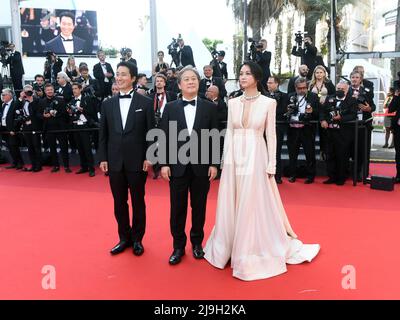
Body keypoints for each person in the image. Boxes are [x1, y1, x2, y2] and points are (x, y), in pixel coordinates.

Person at [203, 61, 319, 281]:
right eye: (240, 73)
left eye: (247, 73)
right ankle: (227, 246)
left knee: (251, 201)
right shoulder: (233, 102)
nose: (242, 77)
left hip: (256, 154)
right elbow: (228, 132)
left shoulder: (268, 103)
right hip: (234, 156)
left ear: (257, 77)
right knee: (232, 200)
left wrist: (272, 164)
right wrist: (223, 160)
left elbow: (271, 135)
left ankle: (248, 250)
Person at [159, 66, 219, 265]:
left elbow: (215, 138)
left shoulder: (210, 107)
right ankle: (178, 246)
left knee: (199, 206)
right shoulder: (170, 108)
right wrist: (164, 163)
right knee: (177, 207)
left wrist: (214, 163)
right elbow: (164, 137)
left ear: (199, 82)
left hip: (202, 166)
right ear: (179, 84)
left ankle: (197, 243)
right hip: (177, 166)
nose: (191, 82)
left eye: (194, 78)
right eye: (186, 79)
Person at [98, 61, 155, 256]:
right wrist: (103, 157)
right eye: (118, 74)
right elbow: (103, 134)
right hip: (114, 161)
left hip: (138, 161)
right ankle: (124, 237)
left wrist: (150, 156)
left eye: (124, 74)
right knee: (119, 202)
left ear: (132, 78)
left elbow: (151, 133)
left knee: (138, 201)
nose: (119, 77)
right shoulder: (107, 104)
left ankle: (138, 239)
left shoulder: (146, 103)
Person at [320, 81, 358, 185]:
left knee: (342, 156)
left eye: (342, 89)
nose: (340, 91)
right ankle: (331, 176)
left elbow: (353, 115)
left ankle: (341, 178)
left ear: (347, 89)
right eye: (338, 89)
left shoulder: (352, 100)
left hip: (343, 133)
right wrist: (323, 120)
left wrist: (341, 118)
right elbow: (322, 111)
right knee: (329, 155)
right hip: (329, 132)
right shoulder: (330, 98)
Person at [286, 77, 320, 184]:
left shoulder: (313, 96)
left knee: (309, 153)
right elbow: (284, 111)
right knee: (292, 153)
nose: (302, 90)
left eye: (304, 88)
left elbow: (319, 112)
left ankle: (310, 176)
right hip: (293, 129)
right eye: (299, 88)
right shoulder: (290, 96)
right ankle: (292, 175)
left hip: (307, 129)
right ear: (295, 88)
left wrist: (312, 111)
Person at [68, 82, 97, 177]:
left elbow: (92, 111)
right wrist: (70, 112)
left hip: (85, 126)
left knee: (87, 148)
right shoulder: (71, 101)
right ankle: (84, 167)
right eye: (73, 89)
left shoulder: (87, 99)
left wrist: (82, 110)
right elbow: (70, 115)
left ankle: (91, 168)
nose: (74, 90)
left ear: (80, 89)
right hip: (76, 126)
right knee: (80, 148)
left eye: (76, 88)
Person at [266, 76, 289, 184]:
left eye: (270, 83)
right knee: (264, 152)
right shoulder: (263, 96)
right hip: (264, 127)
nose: (268, 84)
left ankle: (277, 176)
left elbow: (283, 110)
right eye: (267, 82)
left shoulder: (285, 96)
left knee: (276, 151)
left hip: (278, 127)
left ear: (277, 84)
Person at [16, 85, 43, 172]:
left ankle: (38, 165)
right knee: (30, 147)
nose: (28, 93)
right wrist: (20, 97)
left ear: (33, 91)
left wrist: (31, 101)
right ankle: (33, 164)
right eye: (26, 91)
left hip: (35, 126)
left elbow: (37, 112)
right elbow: (15, 108)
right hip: (26, 127)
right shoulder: (22, 101)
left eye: (29, 91)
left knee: (36, 146)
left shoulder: (37, 100)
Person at [0, 88, 25, 169]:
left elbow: (17, 118)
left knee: (14, 146)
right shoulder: (3, 104)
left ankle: (20, 163)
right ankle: (14, 162)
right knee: (9, 147)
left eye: (4, 95)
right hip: (4, 129)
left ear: (10, 95)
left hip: (12, 129)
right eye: (2, 95)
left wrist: (14, 129)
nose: (2, 96)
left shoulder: (15, 104)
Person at [388, 87, 400, 183]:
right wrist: (396, 95)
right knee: (398, 153)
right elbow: (391, 109)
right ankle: (399, 175)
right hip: (398, 128)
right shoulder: (398, 97)